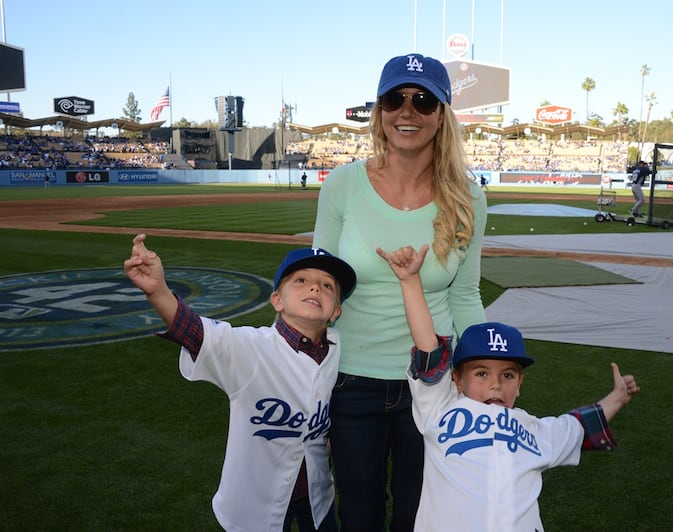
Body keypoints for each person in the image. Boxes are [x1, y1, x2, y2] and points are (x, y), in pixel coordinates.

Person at [312, 52, 487, 531]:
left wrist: (482, 374)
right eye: (395, 99)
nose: (407, 111)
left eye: (423, 100)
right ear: (380, 110)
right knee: (360, 516)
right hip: (351, 381)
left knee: (422, 516)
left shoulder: (469, 198)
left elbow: (465, 295)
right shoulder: (343, 185)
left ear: (441, 114)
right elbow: (318, 286)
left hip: (433, 384)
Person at [378, 244, 640, 532]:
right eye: (481, 373)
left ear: (520, 384)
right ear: (457, 379)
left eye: (508, 375)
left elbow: (577, 427)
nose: (495, 384)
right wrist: (410, 281)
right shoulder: (440, 408)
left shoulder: (533, 429)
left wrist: (616, 397)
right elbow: (428, 347)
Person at [123, 234, 356, 532]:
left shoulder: (336, 348)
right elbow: (195, 332)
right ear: (277, 300)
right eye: (300, 280)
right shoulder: (250, 347)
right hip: (254, 502)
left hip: (317, 493)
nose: (314, 287)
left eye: (327, 285)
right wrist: (158, 292)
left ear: (336, 310)